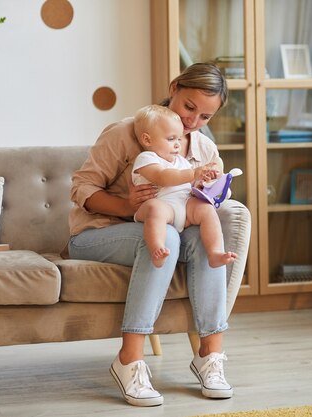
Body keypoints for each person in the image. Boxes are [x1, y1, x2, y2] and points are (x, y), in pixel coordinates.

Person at [68, 62, 237, 407]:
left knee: (206, 242)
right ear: (174, 87)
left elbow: (210, 198)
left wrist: (215, 188)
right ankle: (129, 358)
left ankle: (210, 356)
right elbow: (81, 188)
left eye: (205, 117)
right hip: (98, 233)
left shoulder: (203, 149)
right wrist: (128, 206)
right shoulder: (127, 133)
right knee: (165, 239)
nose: (192, 122)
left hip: (169, 227)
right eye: (189, 107)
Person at [131, 104, 237, 269]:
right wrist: (194, 173)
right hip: (163, 206)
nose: (177, 145)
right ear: (147, 139)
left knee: (206, 209)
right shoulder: (146, 158)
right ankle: (157, 249)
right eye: (171, 139)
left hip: (184, 206)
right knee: (155, 209)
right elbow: (162, 177)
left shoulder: (181, 161)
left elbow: (191, 183)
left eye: (179, 139)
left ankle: (215, 252)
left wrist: (205, 180)